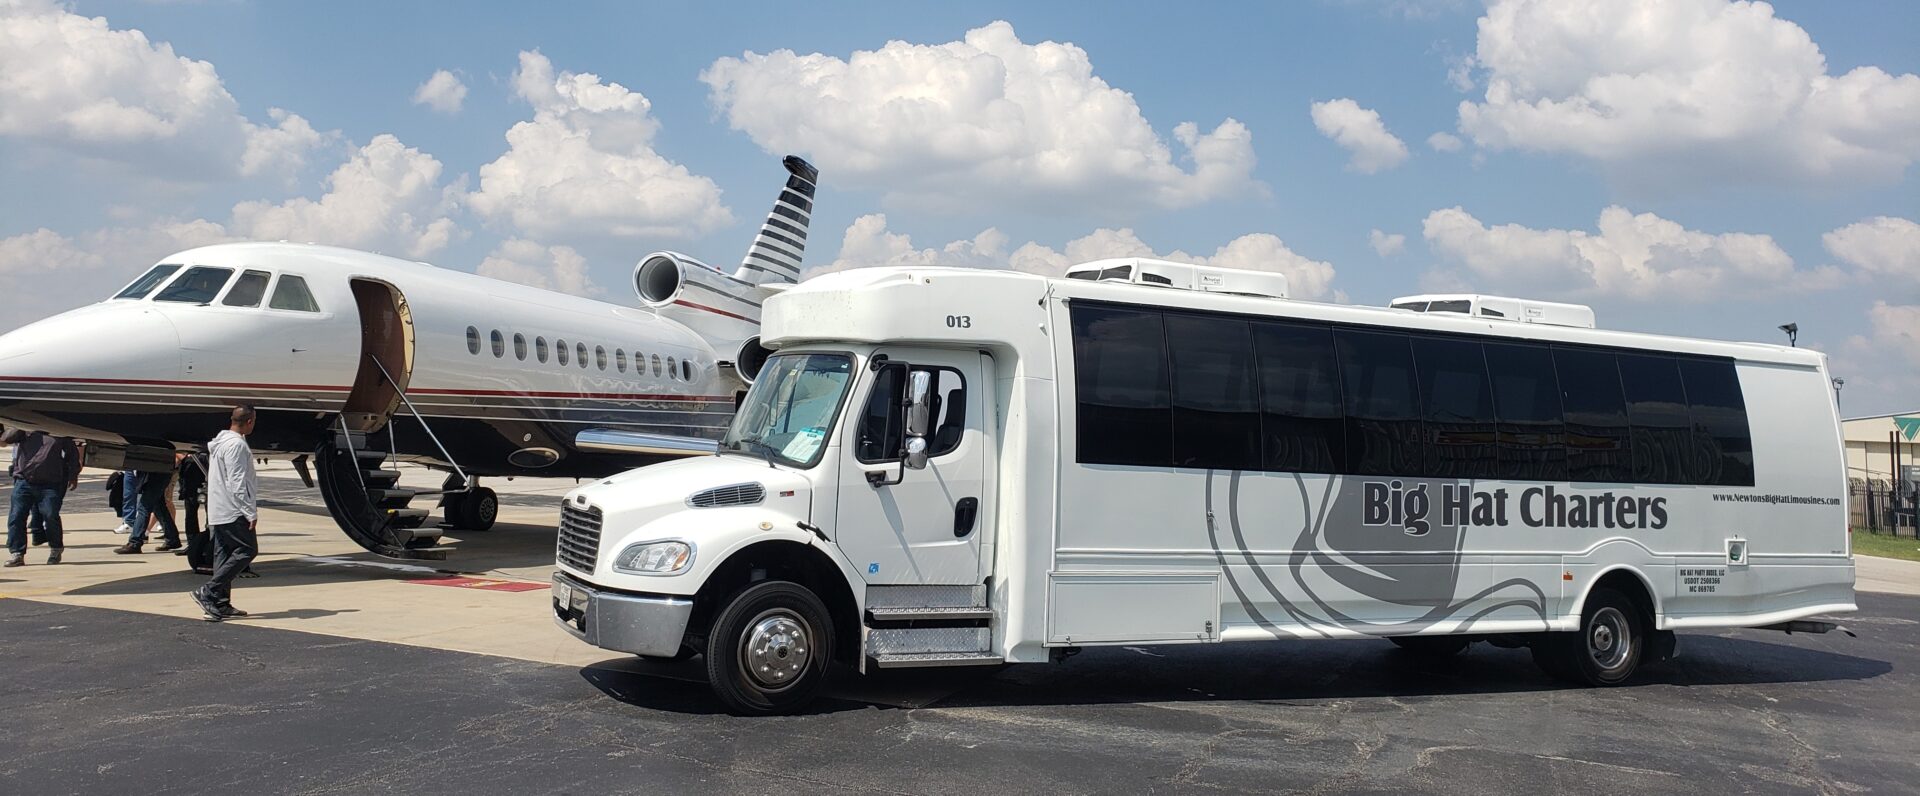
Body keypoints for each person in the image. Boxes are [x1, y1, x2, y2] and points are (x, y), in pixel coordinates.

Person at [192, 406, 258, 620]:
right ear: (250, 421)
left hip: (218, 507)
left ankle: (219, 603)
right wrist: (249, 511)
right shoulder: (236, 445)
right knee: (247, 550)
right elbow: (237, 481)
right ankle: (209, 591)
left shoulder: (220, 443)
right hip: (233, 509)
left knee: (223, 554)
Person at [4, 427, 80, 567]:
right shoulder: (25, 430)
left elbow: (73, 454)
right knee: (16, 517)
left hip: (50, 484)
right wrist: (19, 424)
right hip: (24, 481)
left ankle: (56, 549)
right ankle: (17, 553)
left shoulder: (59, 431)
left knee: (50, 515)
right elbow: (5, 439)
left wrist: (73, 476)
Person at [115, 456, 182, 554]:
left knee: (144, 507)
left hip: (157, 472)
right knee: (159, 506)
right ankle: (172, 538)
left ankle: (135, 542)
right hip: (156, 471)